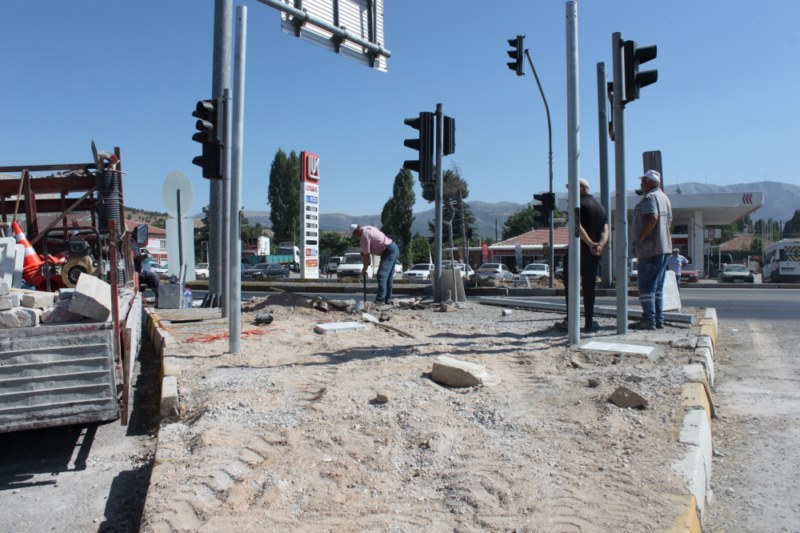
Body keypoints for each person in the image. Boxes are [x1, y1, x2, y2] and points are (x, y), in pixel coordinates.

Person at [561, 178, 609, 333]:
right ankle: (589, 322)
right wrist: (600, 244)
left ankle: (570, 320)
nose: (569, 191)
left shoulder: (578, 204)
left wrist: (588, 243)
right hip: (594, 254)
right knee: (589, 288)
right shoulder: (601, 208)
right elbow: (605, 230)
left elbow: (576, 225)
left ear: (582, 188)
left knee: (571, 286)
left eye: (571, 188)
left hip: (578, 251)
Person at [631, 170, 673, 330]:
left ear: (649, 182)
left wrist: (640, 239)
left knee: (647, 286)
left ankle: (649, 319)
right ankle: (658, 319)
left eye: (643, 181)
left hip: (650, 249)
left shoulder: (651, 198)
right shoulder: (665, 198)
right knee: (657, 287)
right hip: (663, 247)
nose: (641, 183)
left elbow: (653, 218)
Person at [351, 224, 399, 304]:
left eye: (353, 234)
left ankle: (380, 299)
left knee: (382, 275)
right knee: (389, 276)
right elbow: (364, 253)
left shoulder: (364, 236)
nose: (354, 236)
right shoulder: (366, 228)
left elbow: (366, 255)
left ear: (357, 231)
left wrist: (365, 268)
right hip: (392, 248)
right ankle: (387, 299)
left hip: (388, 251)